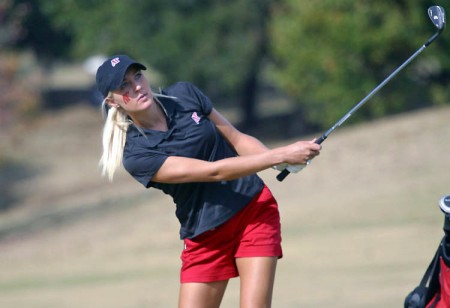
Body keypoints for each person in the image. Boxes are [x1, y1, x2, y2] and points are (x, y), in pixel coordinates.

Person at [95, 55, 321, 308]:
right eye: (124, 86)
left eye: (137, 76)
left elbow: (236, 139)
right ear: (111, 101)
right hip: (205, 236)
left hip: (252, 210)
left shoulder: (184, 94)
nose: (136, 86)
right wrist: (279, 155)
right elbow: (214, 172)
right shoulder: (137, 155)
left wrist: (281, 161)